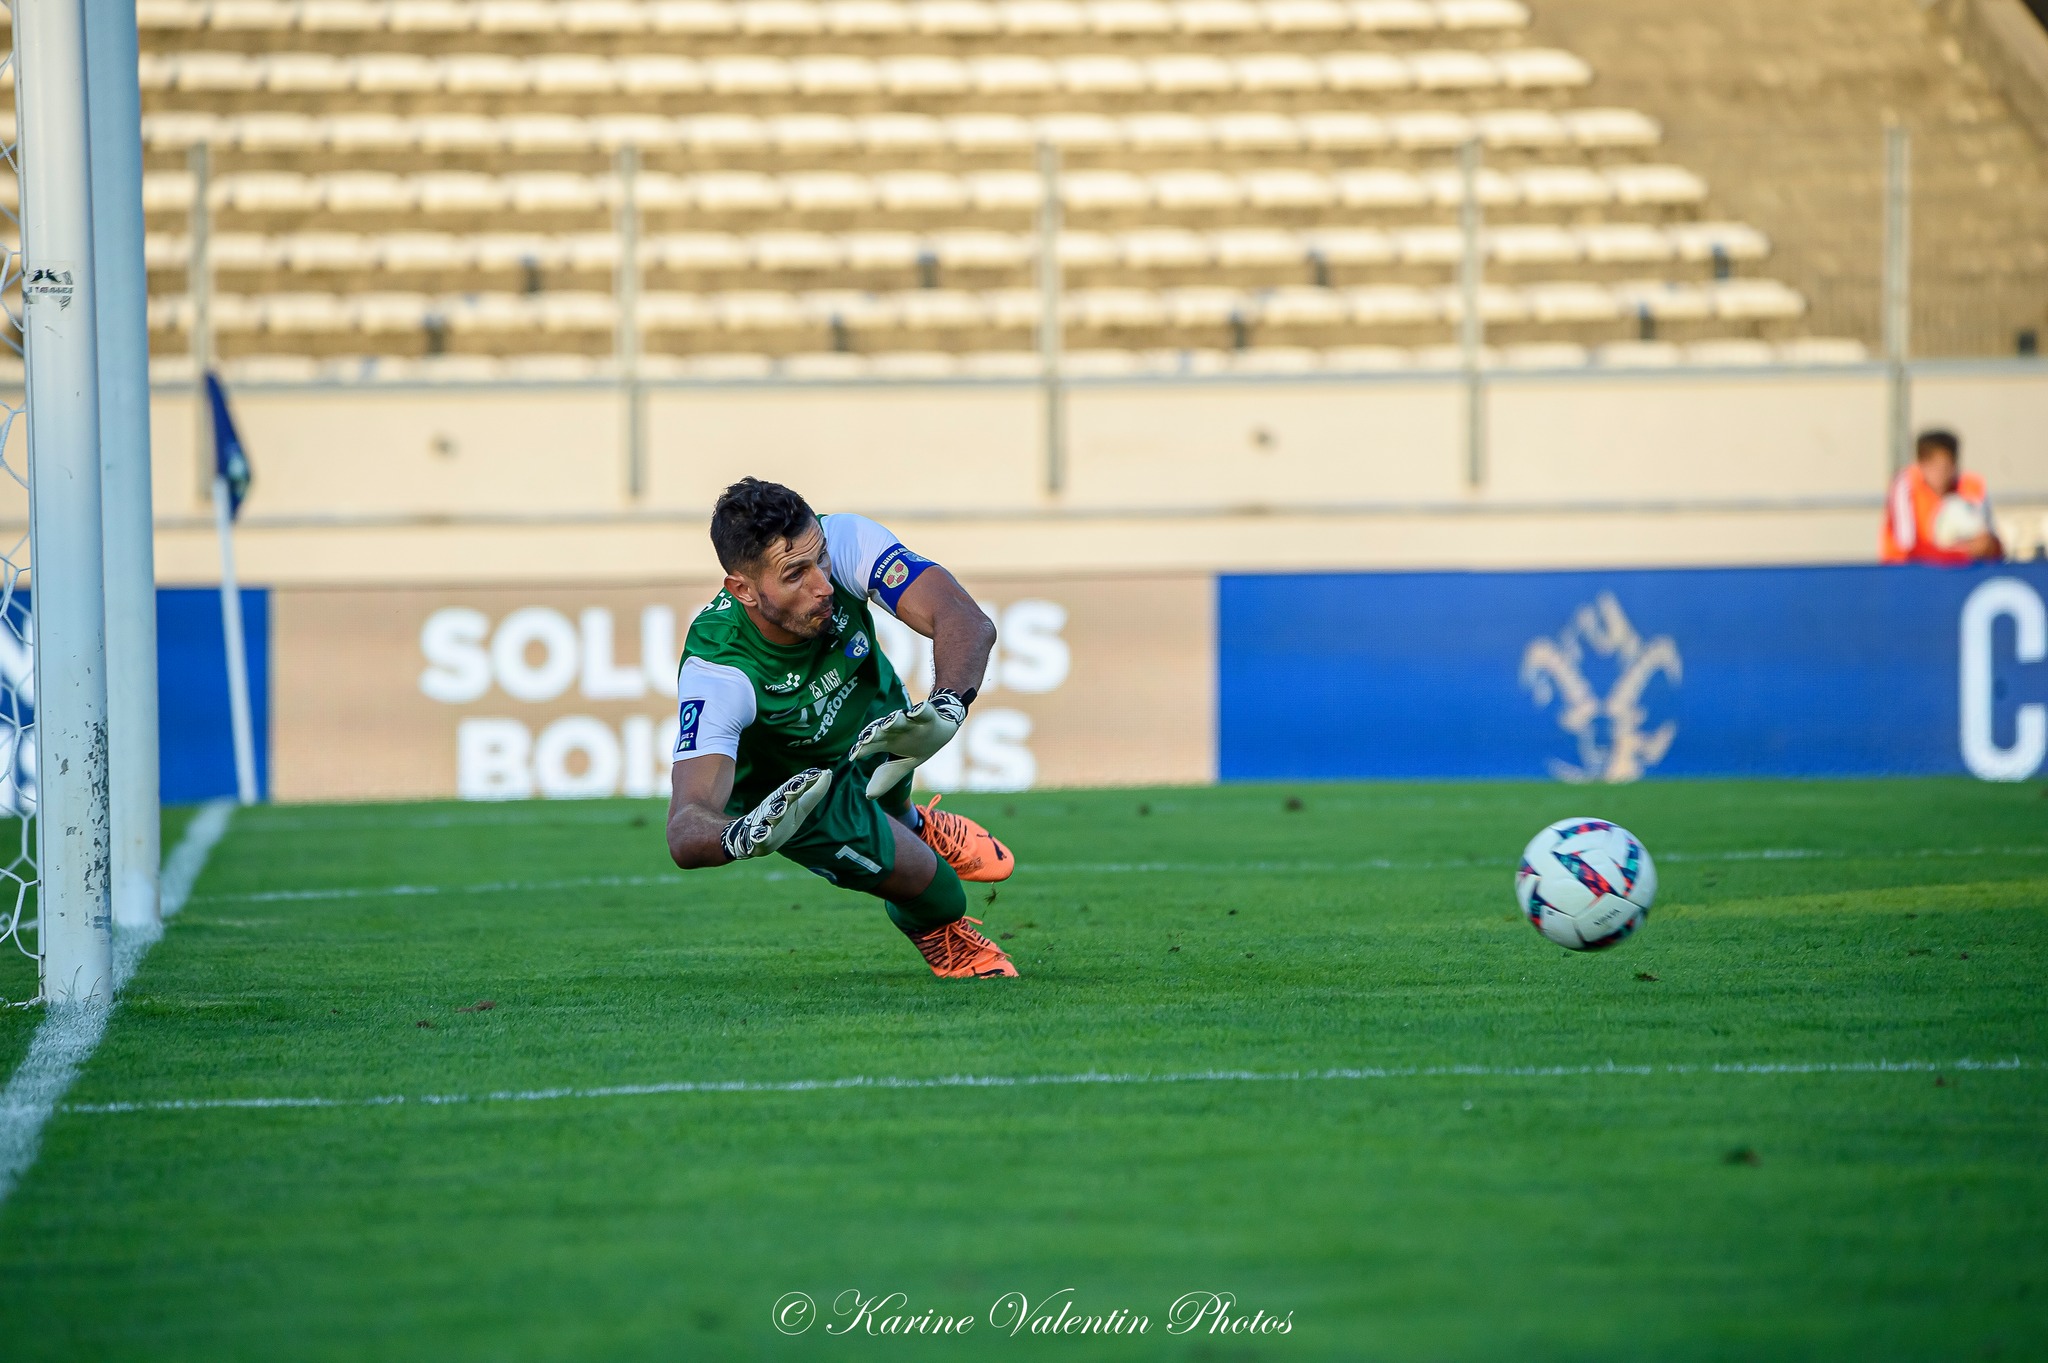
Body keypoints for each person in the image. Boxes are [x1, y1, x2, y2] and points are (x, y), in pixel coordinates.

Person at [663, 478, 1019, 979]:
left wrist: (948, 706)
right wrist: (741, 836)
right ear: (743, 589)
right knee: (938, 889)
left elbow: (965, 620)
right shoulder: (719, 672)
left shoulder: (846, 540)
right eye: (795, 575)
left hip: (869, 712)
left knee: (893, 795)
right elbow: (685, 826)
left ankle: (913, 822)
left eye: (820, 560)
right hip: (802, 793)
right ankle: (936, 929)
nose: (824, 585)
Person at [1881, 429, 2003, 564]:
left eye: (1945, 465)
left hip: (1961, 572)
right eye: (1933, 465)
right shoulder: (1905, 485)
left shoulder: (1972, 486)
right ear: (1921, 464)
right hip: (1907, 575)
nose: (1939, 473)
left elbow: (1994, 546)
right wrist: (1963, 553)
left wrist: (1986, 546)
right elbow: (1906, 550)